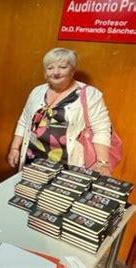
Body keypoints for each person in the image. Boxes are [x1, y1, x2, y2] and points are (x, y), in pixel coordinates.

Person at [7, 47, 113, 175]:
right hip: (33, 158)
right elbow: (24, 121)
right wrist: (14, 148)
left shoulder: (90, 94)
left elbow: (101, 129)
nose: (56, 72)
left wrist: (102, 163)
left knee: (58, 195)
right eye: (50, 68)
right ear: (45, 72)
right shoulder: (37, 91)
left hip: (66, 162)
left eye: (62, 67)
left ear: (72, 70)